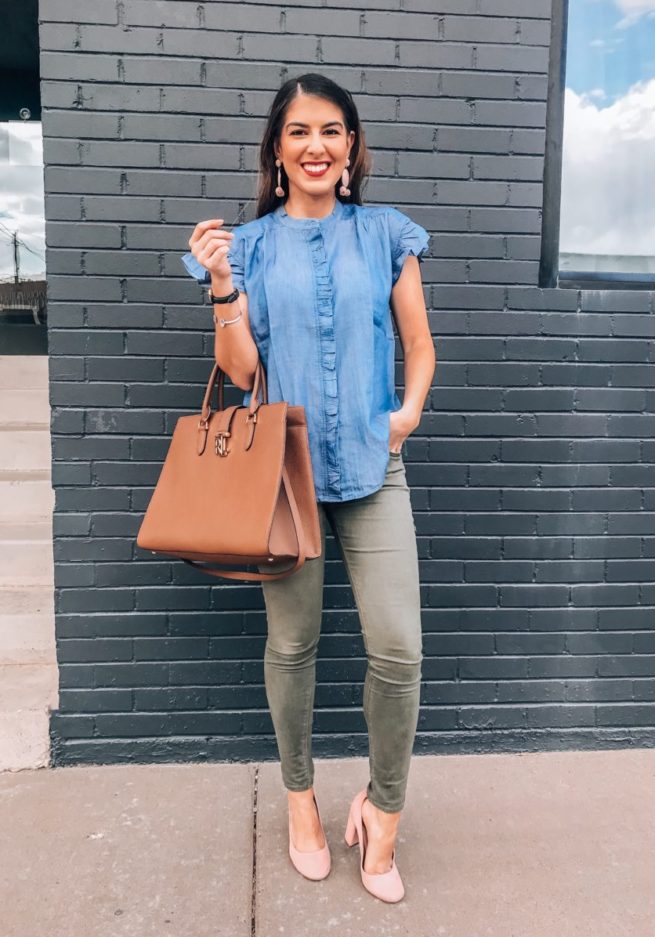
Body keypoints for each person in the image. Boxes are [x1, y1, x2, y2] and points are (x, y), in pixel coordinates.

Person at [182, 73, 436, 903]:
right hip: (280, 478)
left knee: (396, 648)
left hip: (373, 470)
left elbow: (419, 344)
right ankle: (300, 799)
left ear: (352, 148)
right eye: (298, 132)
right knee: (293, 647)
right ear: (277, 150)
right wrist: (221, 285)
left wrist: (404, 414)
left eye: (331, 130)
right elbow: (240, 370)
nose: (316, 145)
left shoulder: (386, 234)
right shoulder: (245, 247)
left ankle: (381, 808)